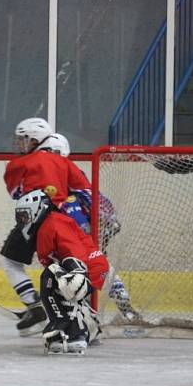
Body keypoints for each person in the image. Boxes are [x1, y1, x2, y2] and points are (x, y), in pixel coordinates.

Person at [0, 118, 92, 336]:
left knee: (12, 262)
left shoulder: (18, 164)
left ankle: (34, 305)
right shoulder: (65, 163)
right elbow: (85, 191)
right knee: (65, 268)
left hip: (30, 221)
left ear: (35, 140)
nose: (20, 144)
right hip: (60, 223)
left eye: (24, 139)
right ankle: (83, 317)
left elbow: (16, 194)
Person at [39, 133, 140, 324]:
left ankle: (124, 309)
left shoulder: (74, 180)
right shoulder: (50, 182)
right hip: (67, 238)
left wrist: (107, 224)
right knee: (81, 275)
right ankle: (85, 316)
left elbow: (97, 201)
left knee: (94, 270)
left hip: (81, 237)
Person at [14, 188, 110, 355]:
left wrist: (77, 272)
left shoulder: (55, 223)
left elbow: (73, 250)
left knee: (53, 280)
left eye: (25, 215)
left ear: (39, 209)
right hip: (87, 267)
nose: (23, 221)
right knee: (51, 280)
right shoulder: (45, 226)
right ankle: (88, 324)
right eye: (20, 217)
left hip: (90, 267)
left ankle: (76, 334)